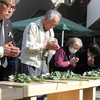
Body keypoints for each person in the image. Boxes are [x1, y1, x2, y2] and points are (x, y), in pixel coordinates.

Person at [20, 9, 61, 100]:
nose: (53, 26)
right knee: (30, 92)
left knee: (43, 91)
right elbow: (28, 45)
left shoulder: (51, 30)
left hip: (43, 62)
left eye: (55, 25)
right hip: (30, 63)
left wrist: (53, 47)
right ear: (46, 19)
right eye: (52, 23)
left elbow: (50, 49)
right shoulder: (32, 26)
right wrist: (46, 45)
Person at [0, 0, 20, 81]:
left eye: (13, 7)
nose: (10, 10)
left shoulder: (7, 22)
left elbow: (10, 41)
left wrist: (13, 50)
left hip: (3, 70)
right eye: (8, 6)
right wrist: (2, 50)